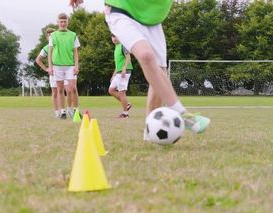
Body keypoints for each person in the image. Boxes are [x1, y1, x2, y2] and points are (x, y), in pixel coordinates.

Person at [69, 0, 210, 138]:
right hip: (121, 10)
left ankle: (150, 131)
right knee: (147, 56)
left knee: (160, 71)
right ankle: (182, 114)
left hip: (152, 20)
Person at [48, 13, 81, 119]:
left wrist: (76, 66)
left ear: (68, 22)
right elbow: (50, 52)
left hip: (70, 66)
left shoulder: (73, 35)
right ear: (57, 22)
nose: (63, 23)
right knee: (60, 89)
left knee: (72, 88)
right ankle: (62, 111)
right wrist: (50, 66)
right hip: (57, 66)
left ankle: (75, 110)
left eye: (64, 21)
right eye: (61, 21)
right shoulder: (53, 35)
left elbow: (76, 52)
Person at [35, 28, 61, 118]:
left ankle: (65, 110)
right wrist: (46, 69)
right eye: (48, 35)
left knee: (65, 90)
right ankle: (57, 112)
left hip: (63, 69)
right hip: (53, 72)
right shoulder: (46, 48)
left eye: (52, 35)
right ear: (46, 37)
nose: (50, 37)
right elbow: (38, 60)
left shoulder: (60, 45)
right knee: (55, 92)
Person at [109, 34, 133, 118]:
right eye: (112, 37)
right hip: (118, 73)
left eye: (115, 36)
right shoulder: (116, 47)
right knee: (111, 90)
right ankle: (127, 104)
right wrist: (113, 75)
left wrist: (124, 69)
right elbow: (117, 65)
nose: (114, 39)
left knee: (121, 93)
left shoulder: (123, 46)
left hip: (124, 73)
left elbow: (128, 58)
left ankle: (125, 114)